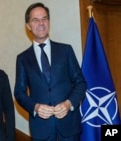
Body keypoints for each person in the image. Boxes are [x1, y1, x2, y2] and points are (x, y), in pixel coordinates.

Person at [14, 2, 86, 141]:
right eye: (35, 20)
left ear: (49, 22)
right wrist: (35, 107)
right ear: (28, 26)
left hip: (69, 127)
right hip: (41, 130)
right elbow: (19, 92)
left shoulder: (66, 50)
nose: (41, 23)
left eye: (44, 18)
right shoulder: (23, 58)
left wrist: (69, 103)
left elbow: (81, 82)